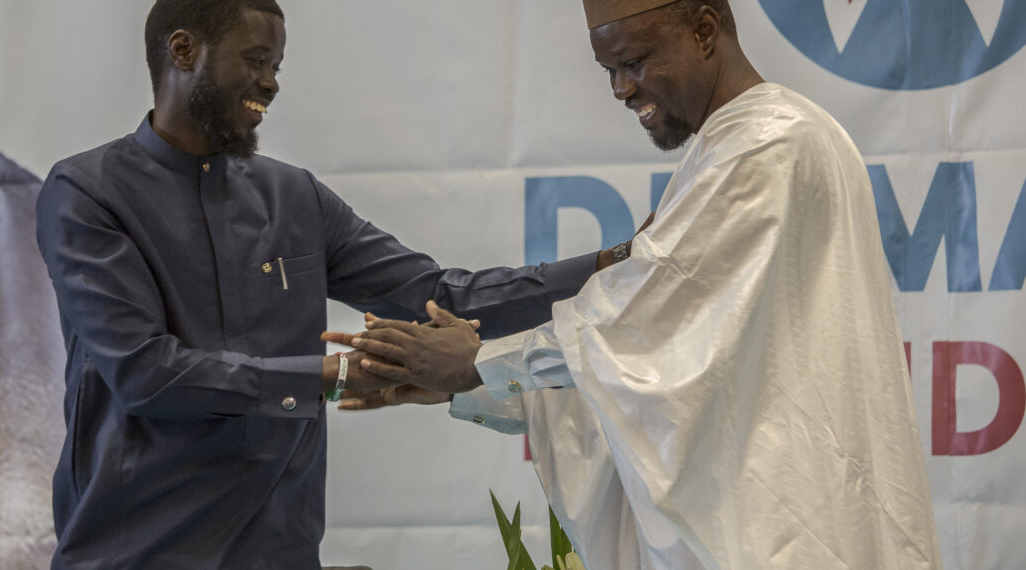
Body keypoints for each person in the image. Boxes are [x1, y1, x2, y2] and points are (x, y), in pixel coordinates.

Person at [330, 0, 944, 568]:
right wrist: (470, 385)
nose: (621, 89)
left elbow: (634, 333)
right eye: (609, 70)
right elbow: (668, 372)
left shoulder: (766, 144)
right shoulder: (736, 145)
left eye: (635, 61)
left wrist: (477, 365)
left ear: (704, 30)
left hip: (788, 529)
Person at [34, 0, 630, 567]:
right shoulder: (88, 192)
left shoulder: (294, 196)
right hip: (137, 549)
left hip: (279, 551)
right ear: (184, 50)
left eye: (277, 66)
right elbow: (146, 373)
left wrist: (617, 262)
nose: (271, 83)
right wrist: (336, 373)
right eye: (256, 60)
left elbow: (441, 297)